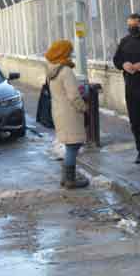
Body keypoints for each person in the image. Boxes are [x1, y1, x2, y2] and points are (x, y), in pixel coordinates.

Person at [45, 40, 89, 189]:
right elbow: (73, 96)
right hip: (70, 113)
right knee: (72, 146)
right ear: (63, 52)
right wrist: (84, 108)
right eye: (69, 51)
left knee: (71, 145)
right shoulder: (65, 71)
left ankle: (66, 178)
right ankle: (70, 180)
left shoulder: (52, 70)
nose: (71, 54)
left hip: (59, 111)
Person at [113, 14, 140, 166]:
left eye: (134, 25)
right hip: (130, 86)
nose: (131, 29)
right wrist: (124, 65)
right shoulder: (125, 41)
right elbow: (116, 60)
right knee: (135, 120)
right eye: (129, 26)